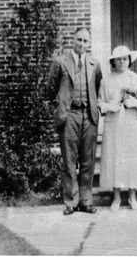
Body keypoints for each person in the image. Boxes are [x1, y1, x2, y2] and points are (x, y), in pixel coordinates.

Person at [47, 27, 102, 215]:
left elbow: (95, 86)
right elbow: (50, 88)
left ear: (90, 43)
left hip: (89, 115)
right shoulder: (60, 62)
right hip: (69, 115)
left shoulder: (95, 64)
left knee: (88, 160)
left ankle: (86, 201)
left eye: (86, 41)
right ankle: (71, 201)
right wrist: (61, 106)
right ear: (73, 39)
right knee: (69, 160)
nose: (82, 44)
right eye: (79, 40)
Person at [98, 46, 137, 211]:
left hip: (132, 123)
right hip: (114, 124)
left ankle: (133, 197)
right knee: (115, 159)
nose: (122, 62)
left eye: (125, 58)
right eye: (118, 59)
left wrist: (135, 103)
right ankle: (117, 197)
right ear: (113, 62)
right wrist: (110, 106)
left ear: (129, 60)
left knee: (132, 159)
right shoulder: (106, 81)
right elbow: (100, 103)